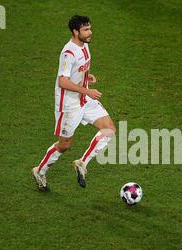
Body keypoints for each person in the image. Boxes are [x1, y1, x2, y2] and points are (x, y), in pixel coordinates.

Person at [32, 15, 116, 191]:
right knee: (64, 145)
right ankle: (39, 171)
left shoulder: (84, 46)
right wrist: (88, 91)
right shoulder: (68, 53)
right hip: (69, 105)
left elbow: (80, 68)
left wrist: (87, 77)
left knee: (109, 129)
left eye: (89, 28)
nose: (90, 32)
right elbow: (62, 81)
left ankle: (82, 163)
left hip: (84, 99)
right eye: (85, 30)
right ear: (75, 32)